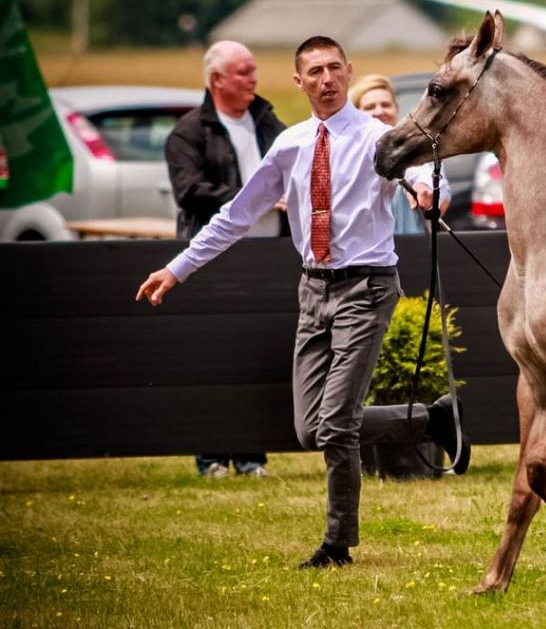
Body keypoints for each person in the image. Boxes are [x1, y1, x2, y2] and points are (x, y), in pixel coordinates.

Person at [136, 35, 470, 570]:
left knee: (335, 425)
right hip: (312, 287)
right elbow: (236, 217)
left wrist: (431, 194)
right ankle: (429, 421)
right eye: (314, 71)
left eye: (335, 68)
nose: (327, 79)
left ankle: (337, 546)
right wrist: (177, 269)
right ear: (299, 82)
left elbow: (420, 177)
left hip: (367, 286)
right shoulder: (290, 144)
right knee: (309, 428)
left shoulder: (379, 137)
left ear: (349, 70)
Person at [167, 40, 284, 479]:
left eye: (253, 70)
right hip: (213, 259)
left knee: (257, 353)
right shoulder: (189, 132)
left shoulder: (269, 123)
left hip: (268, 257)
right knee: (214, 356)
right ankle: (211, 456)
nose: (253, 78)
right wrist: (257, 201)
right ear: (216, 80)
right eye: (242, 72)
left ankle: (253, 456)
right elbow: (190, 191)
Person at [347, 74, 450, 234]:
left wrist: (427, 191)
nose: (379, 111)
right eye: (370, 107)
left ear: (396, 108)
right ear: (357, 113)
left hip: (411, 245)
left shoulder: (420, 147)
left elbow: (441, 193)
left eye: (385, 104)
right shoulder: (349, 152)